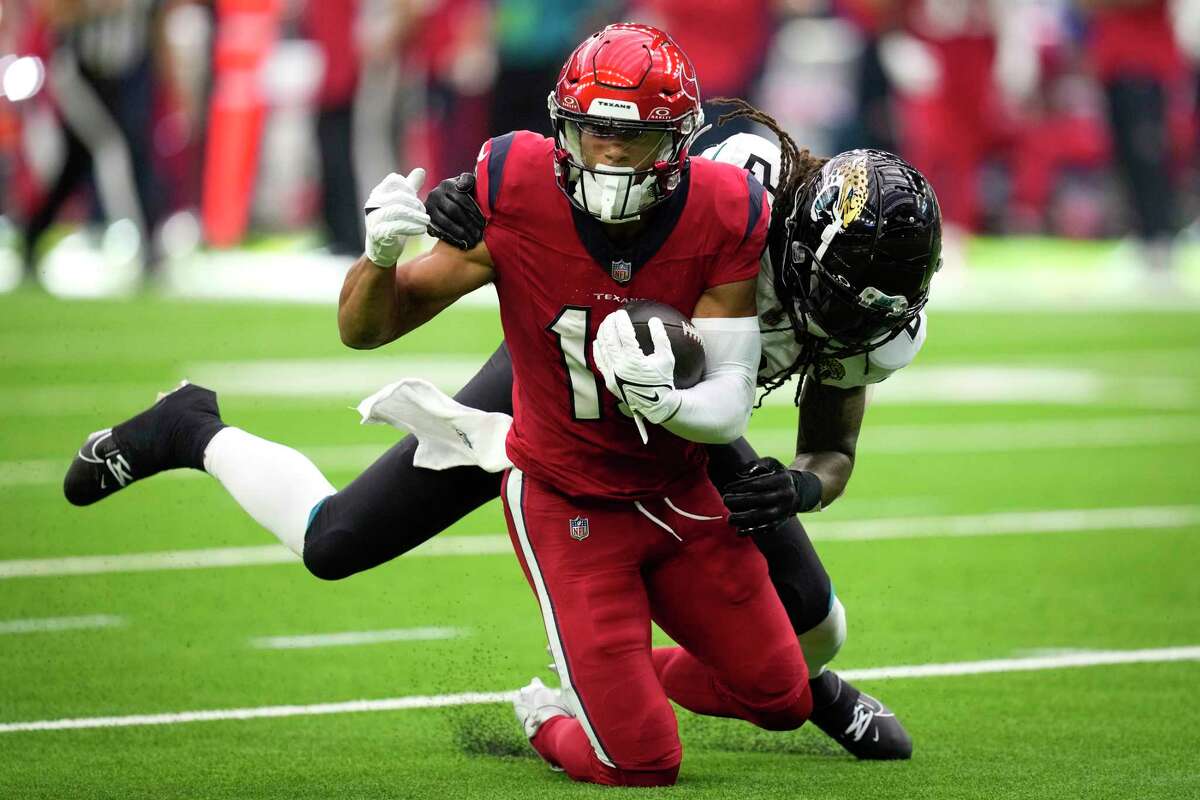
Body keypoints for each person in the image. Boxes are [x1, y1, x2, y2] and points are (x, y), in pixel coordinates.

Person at [64, 24, 817, 787]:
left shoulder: (730, 212)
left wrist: (672, 405)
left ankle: (637, 685)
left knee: (790, 683)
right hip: (558, 473)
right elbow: (366, 327)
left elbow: (736, 403)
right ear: (564, 127)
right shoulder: (516, 189)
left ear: (682, 143)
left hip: (674, 478)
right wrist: (381, 256)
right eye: (594, 132)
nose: (610, 154)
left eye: (634, 136)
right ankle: (193, 428)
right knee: (336, 543)